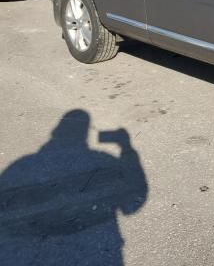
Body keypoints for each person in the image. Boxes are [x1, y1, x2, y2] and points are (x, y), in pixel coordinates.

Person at [0, 109, 147, 266]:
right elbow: (132, 205)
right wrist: (126, 146)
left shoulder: (22, 164)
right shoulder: (103, 158)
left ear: (55, 131)